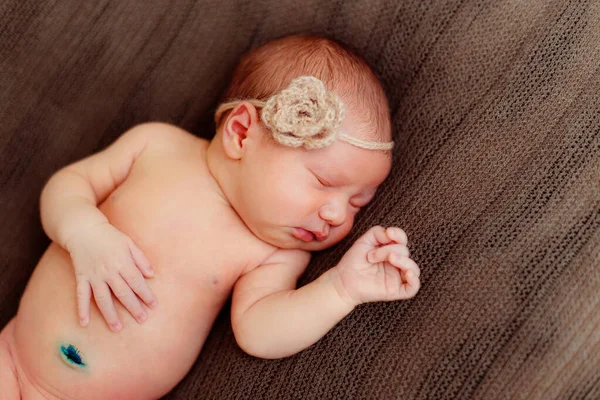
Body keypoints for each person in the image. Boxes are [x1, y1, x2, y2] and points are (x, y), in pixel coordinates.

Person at [0, 34, 420, 400]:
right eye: (324, 181)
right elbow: (68, 185)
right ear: (241, 133)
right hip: (13, 358)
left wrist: (340, 289)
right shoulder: (156, 147)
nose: (335, 214)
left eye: (357, 203)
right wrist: (84, 232)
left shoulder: (273, 252)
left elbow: (260, 332)